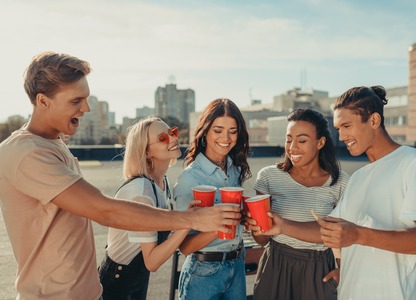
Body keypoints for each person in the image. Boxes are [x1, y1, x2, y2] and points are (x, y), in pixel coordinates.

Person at [0, 51, 240, 300]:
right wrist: (192, 220)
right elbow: (106, 211)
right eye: (76, 101)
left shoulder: (54, 144)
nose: (86, 108)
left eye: (86, 98)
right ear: (43, 101)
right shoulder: (26, 153)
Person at [318, 85, 416, 299]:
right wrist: (279, 225)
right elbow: (332, 230)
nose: (341, 136)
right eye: (338, 128)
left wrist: (359, 234)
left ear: (374, 121)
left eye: (347, 125)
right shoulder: (358, 177)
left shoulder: (415, 162)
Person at [247, 108, 349, 300]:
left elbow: (340, 234)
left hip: (319, 269)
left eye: (302, 140)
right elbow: (262, 240)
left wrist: (342, 269)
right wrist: (256, 227)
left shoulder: (340, 182)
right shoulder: (269, 177)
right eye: (288, 139)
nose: (292, 147)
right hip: (275, 264)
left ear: (320, 142)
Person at [99, 117, 198, 299]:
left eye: (173, 132)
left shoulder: (161, 183)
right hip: (116, 284)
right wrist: (188, 221)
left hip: (137, 278)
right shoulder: (141, 192)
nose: (173, 138)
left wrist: (184, 217)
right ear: (145, 152)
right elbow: (152, 261)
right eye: (163, 138)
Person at [173, 98, 252, 300]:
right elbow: (185, 247)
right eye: (218, 130)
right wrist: (221, 226)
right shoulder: (190, 179)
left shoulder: (234, 169)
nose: (226, 137)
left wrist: (244, 217)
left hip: (236, 265)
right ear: (205, 132)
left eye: (232, 131)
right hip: (204, 273)